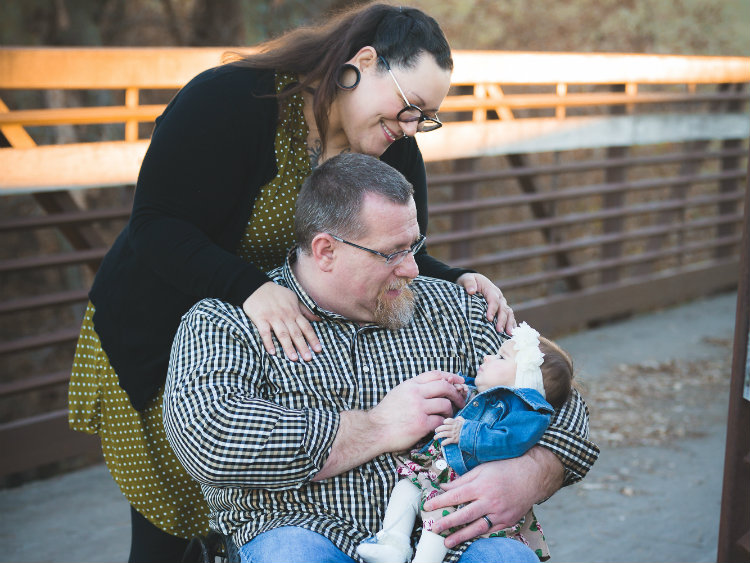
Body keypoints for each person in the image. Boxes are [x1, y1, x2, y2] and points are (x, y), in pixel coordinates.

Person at [67, 4, 517, 560]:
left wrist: (462, 279)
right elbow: (154, 224)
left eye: (425, 118)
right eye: (409, 107)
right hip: (158, 329)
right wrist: (249, 289)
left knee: (251, 513)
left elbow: (399, 250)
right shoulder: (231, 99)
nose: (410, 127)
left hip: (267, 345)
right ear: (365, 62)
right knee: (175, 533)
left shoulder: (396, 147)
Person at [163, 153, 599, 563]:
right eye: (392, 253)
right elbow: (209, 439)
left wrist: (533, 471)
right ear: (325, 251)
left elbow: (560, 395)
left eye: (414, 244)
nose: (413, 267)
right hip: (303, 529)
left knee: (506, 557)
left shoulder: (458, 308)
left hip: (447, 540)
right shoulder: (226, 322)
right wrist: (375, 427)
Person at [357, 322, 574, 563]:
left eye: (501, 357)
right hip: (437, 472)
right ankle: (393, 543)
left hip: (463, 485)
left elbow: (509, 441)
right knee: (406, 488)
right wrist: (464, 397)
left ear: (525, 380)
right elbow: (476, 412)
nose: (488, 357)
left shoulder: (527, 416)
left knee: (441, 519)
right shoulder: (489, 397)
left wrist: (466, 433)